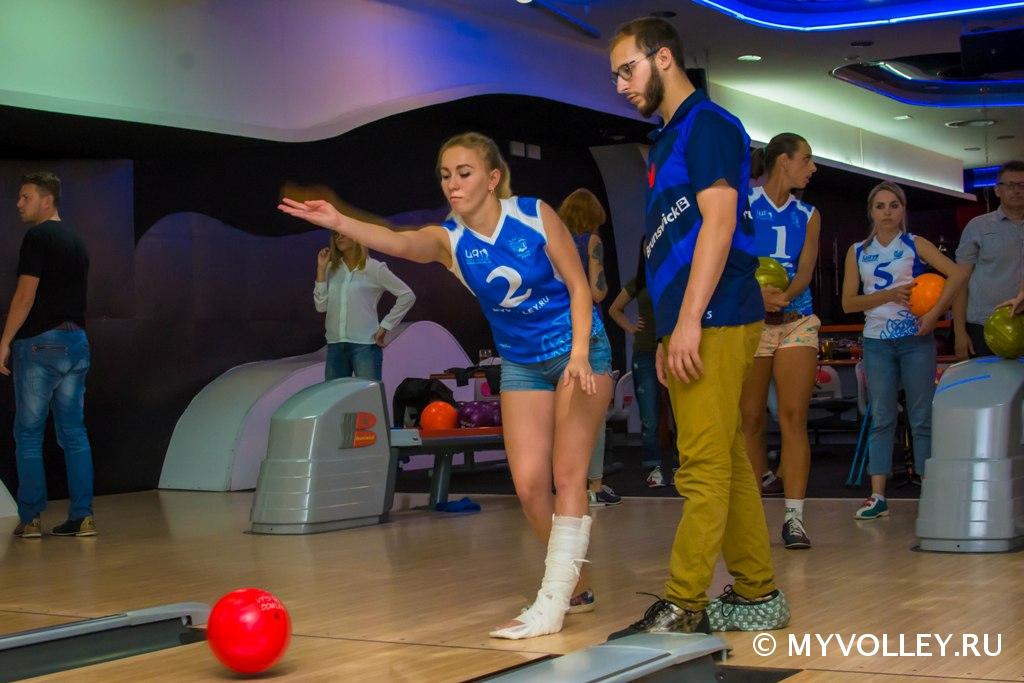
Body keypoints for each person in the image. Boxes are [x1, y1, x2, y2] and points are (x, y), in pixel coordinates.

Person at [280, 132, 614, 639]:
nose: (452, 184)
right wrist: (340, 221)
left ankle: (551, 601)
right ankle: (578, 586)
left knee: (568, 476)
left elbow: (578, 285)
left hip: (577, 352)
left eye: (464, 173)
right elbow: (400, 242)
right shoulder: (449, 239)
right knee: (529, 487)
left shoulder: (533, 214)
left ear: (493, 178)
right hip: (522, 362)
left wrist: (582, 353)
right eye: (445, 175)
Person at [606, 17, 788, 637]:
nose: (621, 85)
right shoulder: (667, 138)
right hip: (693, 318)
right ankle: (758, 592)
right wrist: (666, 332)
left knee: (702, 466)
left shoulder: (707, 125)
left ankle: (684, 603)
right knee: (726, 459)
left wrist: (687, 321)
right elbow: (668, 251)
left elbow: (719, 223)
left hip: (716, 313)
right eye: (615, 76)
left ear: (663, 58)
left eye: (627, 69)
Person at [842, 181, 966, 519]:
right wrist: (888, 295)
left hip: (915, 340)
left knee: (921, 416)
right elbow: (848, 303)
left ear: (903, 210)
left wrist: (934, 314)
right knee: (882, 416)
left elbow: (958, 275)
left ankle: (931, 490)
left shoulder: (915, 243)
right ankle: (877, 496)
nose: (887, 212)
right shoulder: (857, 250)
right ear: (871, 212)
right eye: (880, 206)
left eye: (893, 205)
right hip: (876, 342)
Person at [1, 172, 96, 538]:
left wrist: (4, 341)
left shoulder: (37, 237)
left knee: (28, 433)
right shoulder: (77, 241)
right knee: (74, 433)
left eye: (25, 197)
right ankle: (83, 516)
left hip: (40, 344)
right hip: (76, 343)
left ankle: (31, 519)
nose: (19, 204)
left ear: (47, 199)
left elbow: (25, 296)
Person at [740, 133, 820, 550]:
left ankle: (794, 519)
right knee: (751, 419)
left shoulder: (809, 213)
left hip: (796, 321)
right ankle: (752, 521)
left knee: (793, 417)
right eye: (807, 159)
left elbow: (805, 269)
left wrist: (784, 297)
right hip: (751, 321)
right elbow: (730, 262)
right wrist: (757, 296)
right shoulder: (743, 204)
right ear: (784, 161)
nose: (813, 168)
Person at [557, 188, 621, 507]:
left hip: (557, 331)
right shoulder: (591, 242)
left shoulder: (554, 244)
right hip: (589, 329)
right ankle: (595, 485)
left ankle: (568, 484)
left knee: (564, 413)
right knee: (594, 411)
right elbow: (598, 293)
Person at [608, 238, 675, 487]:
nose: (651, 249)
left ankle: (683, 467)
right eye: (647, 246)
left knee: (682, 414)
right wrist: (631, 327)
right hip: (645, 352)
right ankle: (653, 468)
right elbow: (614, 309)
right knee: (649, 416)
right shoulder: (640, 281)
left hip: (674, 350)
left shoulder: (675, 273)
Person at [314, 232, 415, 381]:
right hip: (335, 347)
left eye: (343, 233)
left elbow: (407, 295)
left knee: (369, 395)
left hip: (365, 347)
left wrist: (386, 326)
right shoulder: (330, 268)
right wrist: (321, 270)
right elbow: (321, 307)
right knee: (335, 395)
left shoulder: (374, 268)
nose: (338, 237)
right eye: (336, 234)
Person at [953, 160, 1024, 358]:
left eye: (1022, 185)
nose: (1017, 190)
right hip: (984, 325)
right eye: (1010, 185)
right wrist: (959, 333)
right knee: (986, 378)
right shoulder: (978, 227)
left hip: (1022, 323)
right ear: (997, 190)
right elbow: (960, 281)